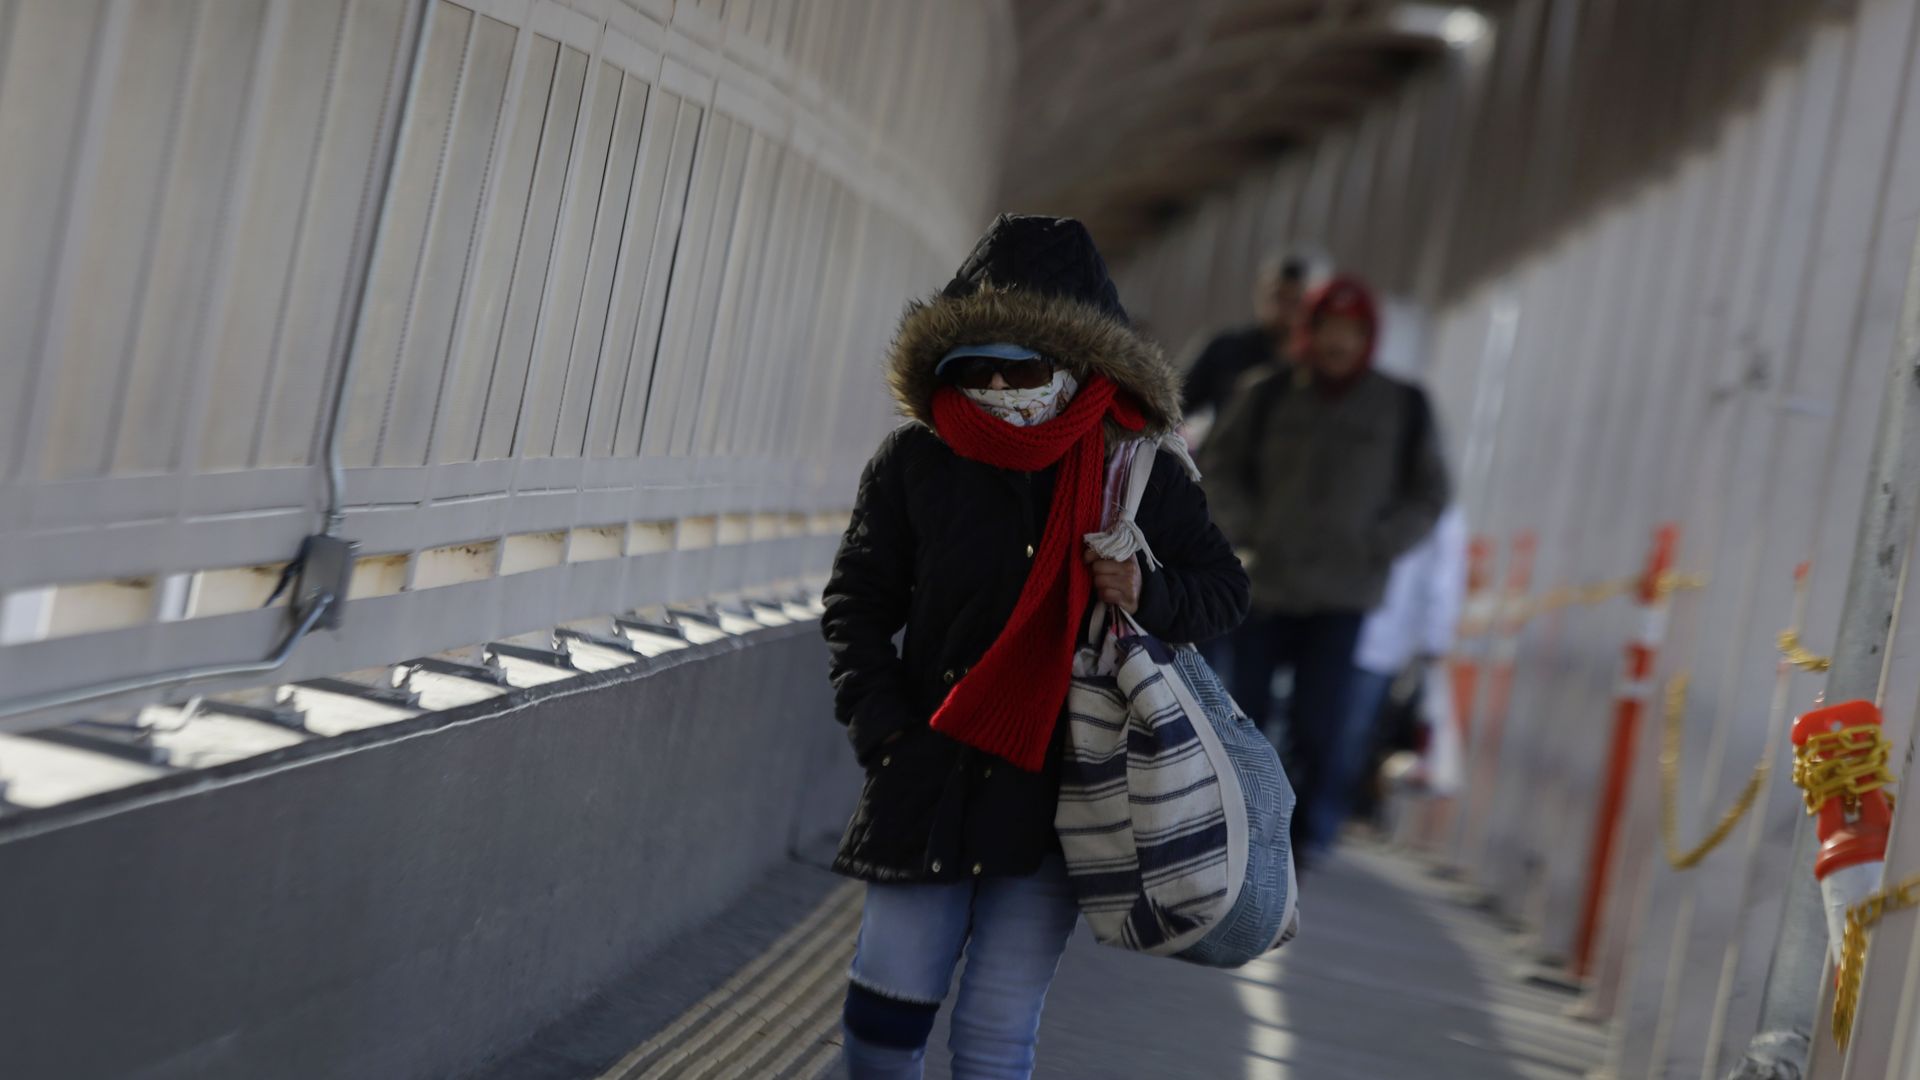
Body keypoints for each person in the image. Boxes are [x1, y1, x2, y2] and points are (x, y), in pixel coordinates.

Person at [822, 214, 1250, 1080]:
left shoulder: (1137, 470)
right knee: (880, 1028)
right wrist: (886, 734)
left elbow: (1225, 593)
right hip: (927, 777)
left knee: (993, 1038)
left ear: (1080, 364)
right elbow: (857, 604)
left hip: (1061, 797)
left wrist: (1147, 590)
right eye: (972, 363)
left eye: (1020, 365)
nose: (993, 383)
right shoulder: (918, 461)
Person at [1197, 274, 1450, 863]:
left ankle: (1301, 838)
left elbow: (1429, 494)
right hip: (1264, 584)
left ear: (1369, 339)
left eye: (1352, 332)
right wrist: (1245, 529)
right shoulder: (1265, 393)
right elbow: (1219, 467)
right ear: (1308, 332)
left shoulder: (1402, 406)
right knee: (1241, 713)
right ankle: (1230, 829)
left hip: (1344, 592)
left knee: (1321, 725)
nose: (1339, 343)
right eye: (1329, 329)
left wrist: (1379, 543)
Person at [1323, 504, 1467, 849]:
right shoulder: (1436, 510)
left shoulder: (1438, 512)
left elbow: (1442, 581)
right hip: (1375, 637)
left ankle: (1319, 820)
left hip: (1368, 634)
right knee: (1347, 734)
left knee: (1337, 731)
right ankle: (1320, 822)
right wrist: (1435, 643)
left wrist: (1435, 639)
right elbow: (1444, 582)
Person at [1178, 254, 1310, 445]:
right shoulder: (1226, 350)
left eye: (1295, 300)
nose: (1284, 309)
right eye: (1278, 297)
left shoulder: (1315, 361)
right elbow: (1176, 404)